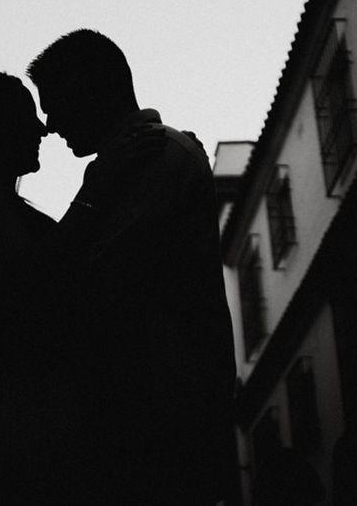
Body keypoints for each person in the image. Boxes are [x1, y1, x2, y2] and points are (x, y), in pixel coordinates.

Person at [0, 71, 159, 504]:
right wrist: (101, 184)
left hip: (32, 428)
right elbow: (41, 281)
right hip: (41, 434)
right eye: (26, 116)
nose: (42, 127)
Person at [26, 29, 236, 504]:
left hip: (158, 417)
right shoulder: (140, 158)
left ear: (92, 91)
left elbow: (96, 282)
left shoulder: (154, 156)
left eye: (54, 103)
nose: (50, 125)